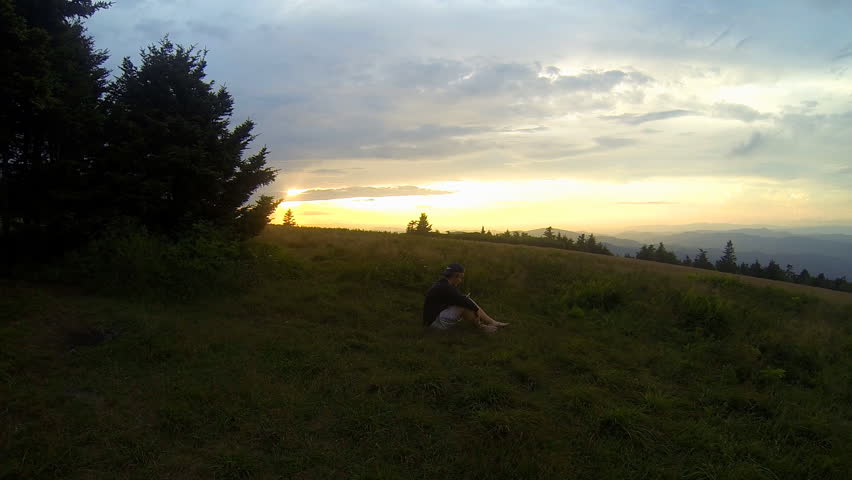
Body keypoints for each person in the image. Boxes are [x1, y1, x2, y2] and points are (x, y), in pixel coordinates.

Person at [423, 263, 508, 333]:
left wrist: (472, 308)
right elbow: (465, 302)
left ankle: (488, 324)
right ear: (456, 276)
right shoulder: (446, 288)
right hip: (435, 324)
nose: (461, 281)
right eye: (461, 278)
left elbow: (460, 299)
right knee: (464, 305)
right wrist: (476, 312)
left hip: (432, 320)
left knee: (465, 302)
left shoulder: (442, 284)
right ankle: (484, 326)